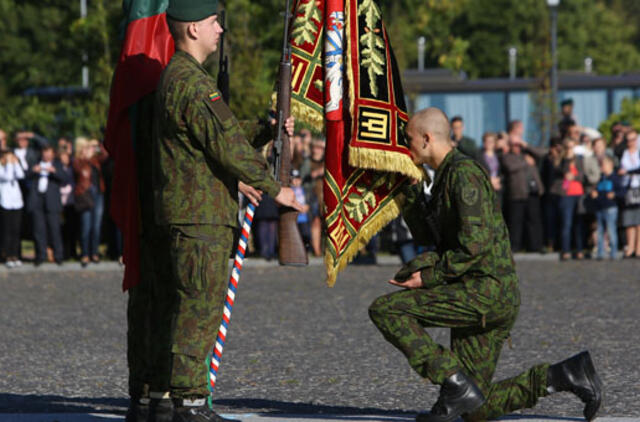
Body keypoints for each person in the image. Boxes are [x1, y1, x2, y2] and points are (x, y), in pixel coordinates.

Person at [368, 107, 602, 422]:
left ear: (426, 139)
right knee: (475, 408)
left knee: (386, 310)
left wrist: (429, 277)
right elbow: (428, 235)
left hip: (486, 292)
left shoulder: (464, 173)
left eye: (408, 140)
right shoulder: (445, 177)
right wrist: (409, 189)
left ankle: (450, 379)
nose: (405, 147)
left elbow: (473, 246)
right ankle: (565, 375)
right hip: (478, 292)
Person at [142, 2, 304, 422]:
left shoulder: (182, 78)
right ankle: (191, 404)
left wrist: (269, 127)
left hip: (190, 213)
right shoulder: (193, 84)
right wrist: (276, 190)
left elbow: (219, 132)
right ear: (193, 29)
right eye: (214, 22)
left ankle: (161, 398)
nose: (220, 28)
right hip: (200, 217)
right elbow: (227, 147)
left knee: (180, 307)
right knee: (200, 308)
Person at [500, 127, 545, 253]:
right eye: (514, 145)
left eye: (518, 145)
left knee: (534, 220)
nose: (517, 147)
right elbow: (510, 167)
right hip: (517, 193)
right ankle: (515, 246)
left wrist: (526, 145)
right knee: (516, 222)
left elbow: (542, 154)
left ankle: (536, 245)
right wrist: (526, 163)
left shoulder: (527, 153)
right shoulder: (507, 156)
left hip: (532, 192)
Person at [26, 145, 68, 266]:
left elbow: (64, 178)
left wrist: (54, 171)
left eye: (48, 152)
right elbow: (25, 175)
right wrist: (34, 170)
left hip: (52, 201)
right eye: (44, 152)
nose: (46, 155)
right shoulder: (36, 163)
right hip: (37, 200)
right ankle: (40, 255)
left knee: (54, 229)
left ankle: (58, 255)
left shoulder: (57, 164)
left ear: (53, 153)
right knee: (39, 230)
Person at [73, 137, 109, 267]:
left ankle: (94, 252)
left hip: (98, 194)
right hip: (85, 195)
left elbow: (105, 155)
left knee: (96, 226)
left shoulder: (95, 161)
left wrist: (98, 145)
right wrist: (85, 156)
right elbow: (77, 170)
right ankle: (85, 254)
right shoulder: (78, 161)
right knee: (86, 226)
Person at [591, 156, 623, 260]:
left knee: (611, 230)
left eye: (604, 165)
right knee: (600, 231)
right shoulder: (602, 178)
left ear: (610, 165)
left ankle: (613, 253)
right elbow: (598, 190)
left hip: (610, 208)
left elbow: (622, 191)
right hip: (600, 207)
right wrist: (595, 194)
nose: (602, 167)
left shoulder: (615, 178)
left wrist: (615, 194)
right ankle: (601, 252)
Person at [0, 149, 25, 267]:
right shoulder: (1, 169)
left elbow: (21, 175)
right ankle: (8, 255)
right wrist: (9, 163)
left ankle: (15, 255)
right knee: (7, 231)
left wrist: (16, 163)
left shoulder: (12, 166)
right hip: (5, 203)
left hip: (17, 202)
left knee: (16, 230)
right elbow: (8, 177)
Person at [618, 129, 640, 258]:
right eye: (628, 140)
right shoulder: (624, 153)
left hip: (638, 188)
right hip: (628, 188)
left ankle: (638, 249)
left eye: (633, 139)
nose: (631, 142)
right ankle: (630, 247)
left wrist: (628, 171)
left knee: (639, 220)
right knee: (629, 219)